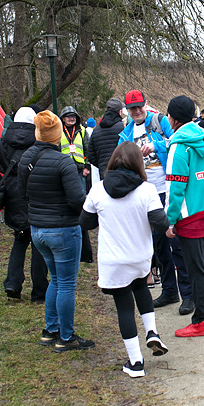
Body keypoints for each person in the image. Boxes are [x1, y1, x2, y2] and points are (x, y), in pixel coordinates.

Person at [80, 142, 170, 377]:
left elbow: (85, 223)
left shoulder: (98, 190)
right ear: (138, 164)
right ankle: (152, 332)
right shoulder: (147, 190)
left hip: (113, 260)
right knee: (141, 288)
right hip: (140, 256)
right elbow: (161, 224)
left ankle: (136, 362)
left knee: (124, 308)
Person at [19, 111, 93, 352]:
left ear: (37, 132)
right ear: (58, 133)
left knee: (56, 279)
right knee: (66, 284)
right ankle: (66, 336)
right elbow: (76, 199)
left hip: (38, 228)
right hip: (63, 229)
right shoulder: (63, 162)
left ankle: (51, 330)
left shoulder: (26, 158)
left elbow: (24, 191)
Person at [118, 89, 194, 315]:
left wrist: (156, 145)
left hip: (167, 190)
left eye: (140, 106)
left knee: (177, 244)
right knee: (159, 246)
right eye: (132, 108)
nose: (137, 111)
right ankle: (170, 290)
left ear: (146, 104)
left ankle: (188, 295)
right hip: (145, 194)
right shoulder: (126, 133)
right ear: (127, 110)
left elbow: (178, 141)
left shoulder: (160, 121)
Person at [164, 95, 204, 337]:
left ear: (172, 118)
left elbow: (174, 186)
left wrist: (170, 219)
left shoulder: (179, 145)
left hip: (191, 215)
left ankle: (201, 320)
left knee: (195, 268)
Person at [0, 106, 48, 302]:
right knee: (38, 244)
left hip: (13, 196)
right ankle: (40, 291)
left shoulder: (3, 143)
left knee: (20, 239)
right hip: (35, 193)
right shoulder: (38, 141)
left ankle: (13, 283)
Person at [59, 106, 93, 262]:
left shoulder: (82, 131)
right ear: (63, 118)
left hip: (80, 170)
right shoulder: (59, 132)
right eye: (68, 116)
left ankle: (81, 221)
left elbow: (88, 150)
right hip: (63, 169)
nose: (71, 118)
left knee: (80, 199)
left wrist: (87, 167)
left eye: (73, 116)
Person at [88, 98, 125, 180]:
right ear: (119, 112)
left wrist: (102, 164)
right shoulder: (124, 128)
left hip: (104, 174)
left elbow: (90, 156)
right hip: (122, 172)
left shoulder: (96, 130)